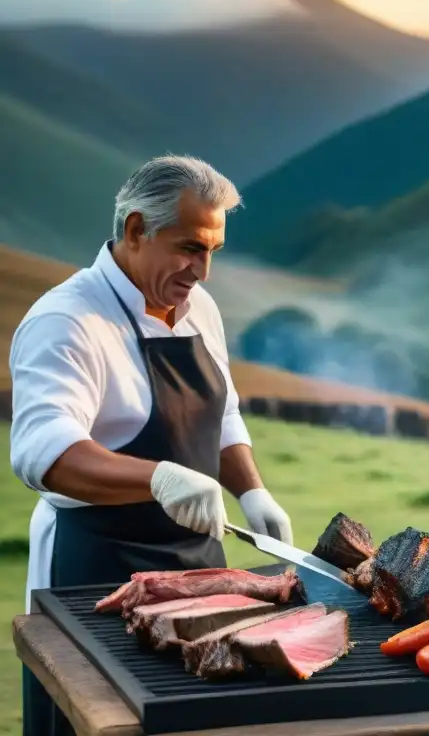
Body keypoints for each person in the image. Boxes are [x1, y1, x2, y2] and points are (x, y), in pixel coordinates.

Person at [10, 155, 293, 736]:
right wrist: (159, 478)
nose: (203, 270)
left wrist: (253, 491)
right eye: (191, 247)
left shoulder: (199, 310)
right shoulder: (67, 319)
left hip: (201, 571)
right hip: (96, 570)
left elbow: (224, 414)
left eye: (213, 250)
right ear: (137, 230)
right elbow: (45, 453)